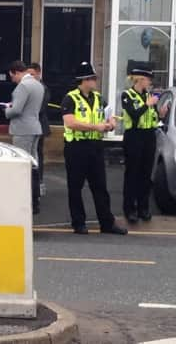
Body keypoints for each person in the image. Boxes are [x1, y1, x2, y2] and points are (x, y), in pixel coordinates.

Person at [61, 62, 127, 235]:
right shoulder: (70, 98)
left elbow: (109, 114)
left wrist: (111, 124)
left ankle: (107, 223)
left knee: (100, 187)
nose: (95, 81)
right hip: (76, 147)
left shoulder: (99, 97)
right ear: (83, 80)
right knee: (75, 187)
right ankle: (79, 223)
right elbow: (70, 122)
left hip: (95, 147)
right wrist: (95, 127)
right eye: (92, 78)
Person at [121, 64, 160, 223]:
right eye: (148, 79)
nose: (150, 83)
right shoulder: (127, 95)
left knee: (146, 174)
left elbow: (154, 116)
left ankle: (143, 208)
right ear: (140, 79)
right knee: (132, 173)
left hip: (149, 136)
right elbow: (134, 113)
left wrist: (161, 112)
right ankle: (130, 208)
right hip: (134, 136)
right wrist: (147, 104)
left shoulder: (148, 96)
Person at [4, 60, 44, 214]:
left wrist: (7, 110)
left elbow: (17, 110)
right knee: (33, 164)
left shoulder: (23, 86)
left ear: (16, 72)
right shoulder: (37, 85)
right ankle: (35, 199)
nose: (12, 79)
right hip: (35, 126)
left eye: (12, 76)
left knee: (21, 165)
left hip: (22, 129)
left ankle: (24, 199)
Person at [27, 63, 51, 196]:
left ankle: (39, 182)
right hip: (28, 124)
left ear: (39, 73)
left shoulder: (43, 89)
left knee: (37, 154)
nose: (30, 77)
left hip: (39, 124)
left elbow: (41, 107)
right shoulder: (27, 87)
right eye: (28, 74)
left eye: (32, 74)